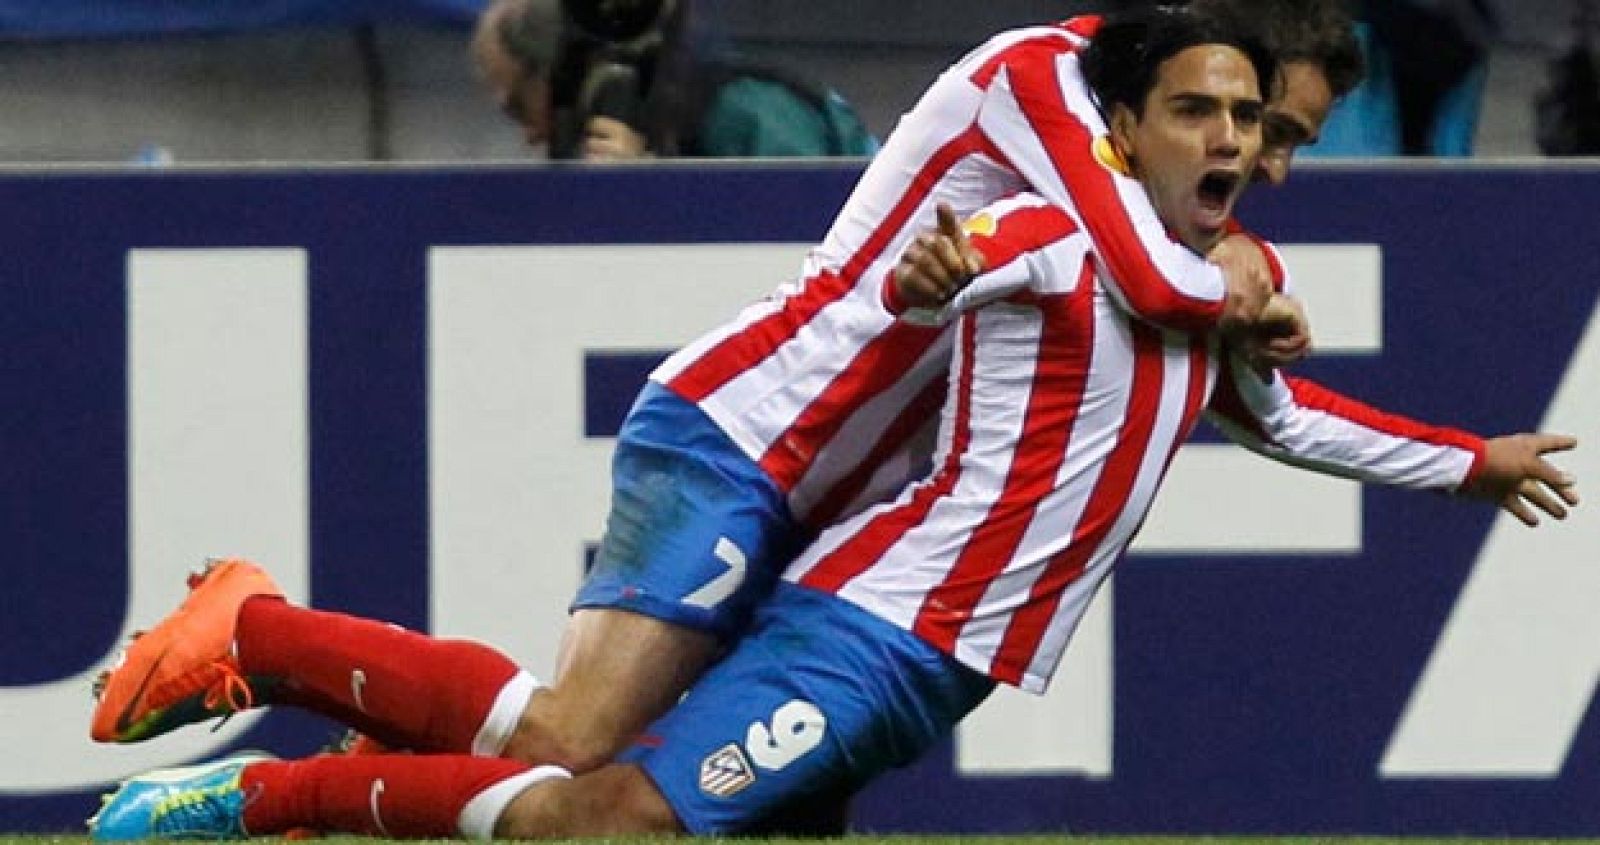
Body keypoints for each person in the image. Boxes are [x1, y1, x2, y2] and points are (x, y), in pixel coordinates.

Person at [87, 7, 1579, 839]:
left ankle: (266, 680)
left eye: (1282, 138)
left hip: (855, 498)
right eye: (1258, 120)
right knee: (580, 755)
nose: (1265, 161)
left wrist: (1445, 448)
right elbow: (1089, 255)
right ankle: (260, 669)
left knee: (642, 795)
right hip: (757, 432)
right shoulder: (1047, 91)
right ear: (1178, 84)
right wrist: (1238, 295)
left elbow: (1245, 384)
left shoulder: (1188, 233)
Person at [470, 0, 878, 160]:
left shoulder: (744, 111)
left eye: (518, 108)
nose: (529, 136)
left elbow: (791, 237)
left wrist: (659, 193)